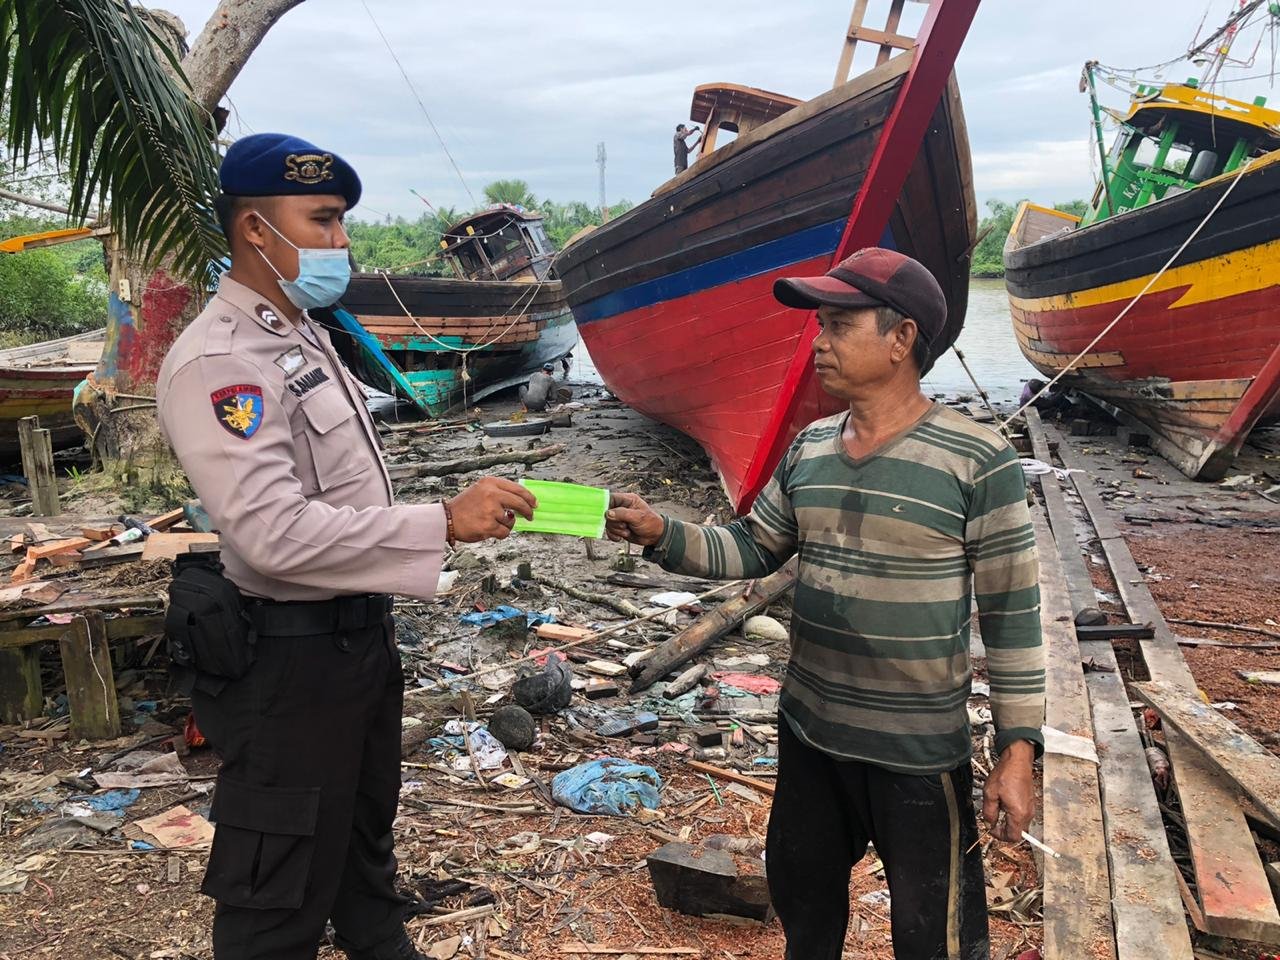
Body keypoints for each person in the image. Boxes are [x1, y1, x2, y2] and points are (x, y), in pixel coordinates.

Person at [155, 133, 537, 960]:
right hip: (289, 665)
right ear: (256, 231)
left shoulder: (305, 334)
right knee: (278, 891)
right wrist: (440, 521)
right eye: (322, 222)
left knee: (366, 852)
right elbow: (269, 533)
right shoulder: (223, 360)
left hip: (358, 641)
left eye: (342, 223)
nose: (341, 243)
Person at [605, 247, 1044, 960]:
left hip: (916, 753)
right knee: (805, 913)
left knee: (934, 938)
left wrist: (1018, 751)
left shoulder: (976, 460)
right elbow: (751, 550)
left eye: (840, 325)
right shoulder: (810, 448)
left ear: (901, 339)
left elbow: (1013, 614)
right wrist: (660, 532)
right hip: (811, 736)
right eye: (821, 326)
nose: (820, 342)